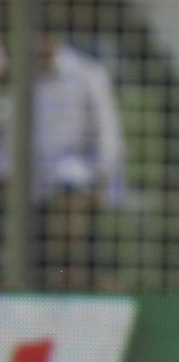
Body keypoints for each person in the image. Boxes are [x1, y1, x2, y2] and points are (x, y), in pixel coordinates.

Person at [0, 34, 126, 289]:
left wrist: (100, 178)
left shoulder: (88, 74)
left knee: (68, 203)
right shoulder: (17, 79)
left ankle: (79, 277)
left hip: (77, 182)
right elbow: (7, 141)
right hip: (31, 188)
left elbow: (110, 139)